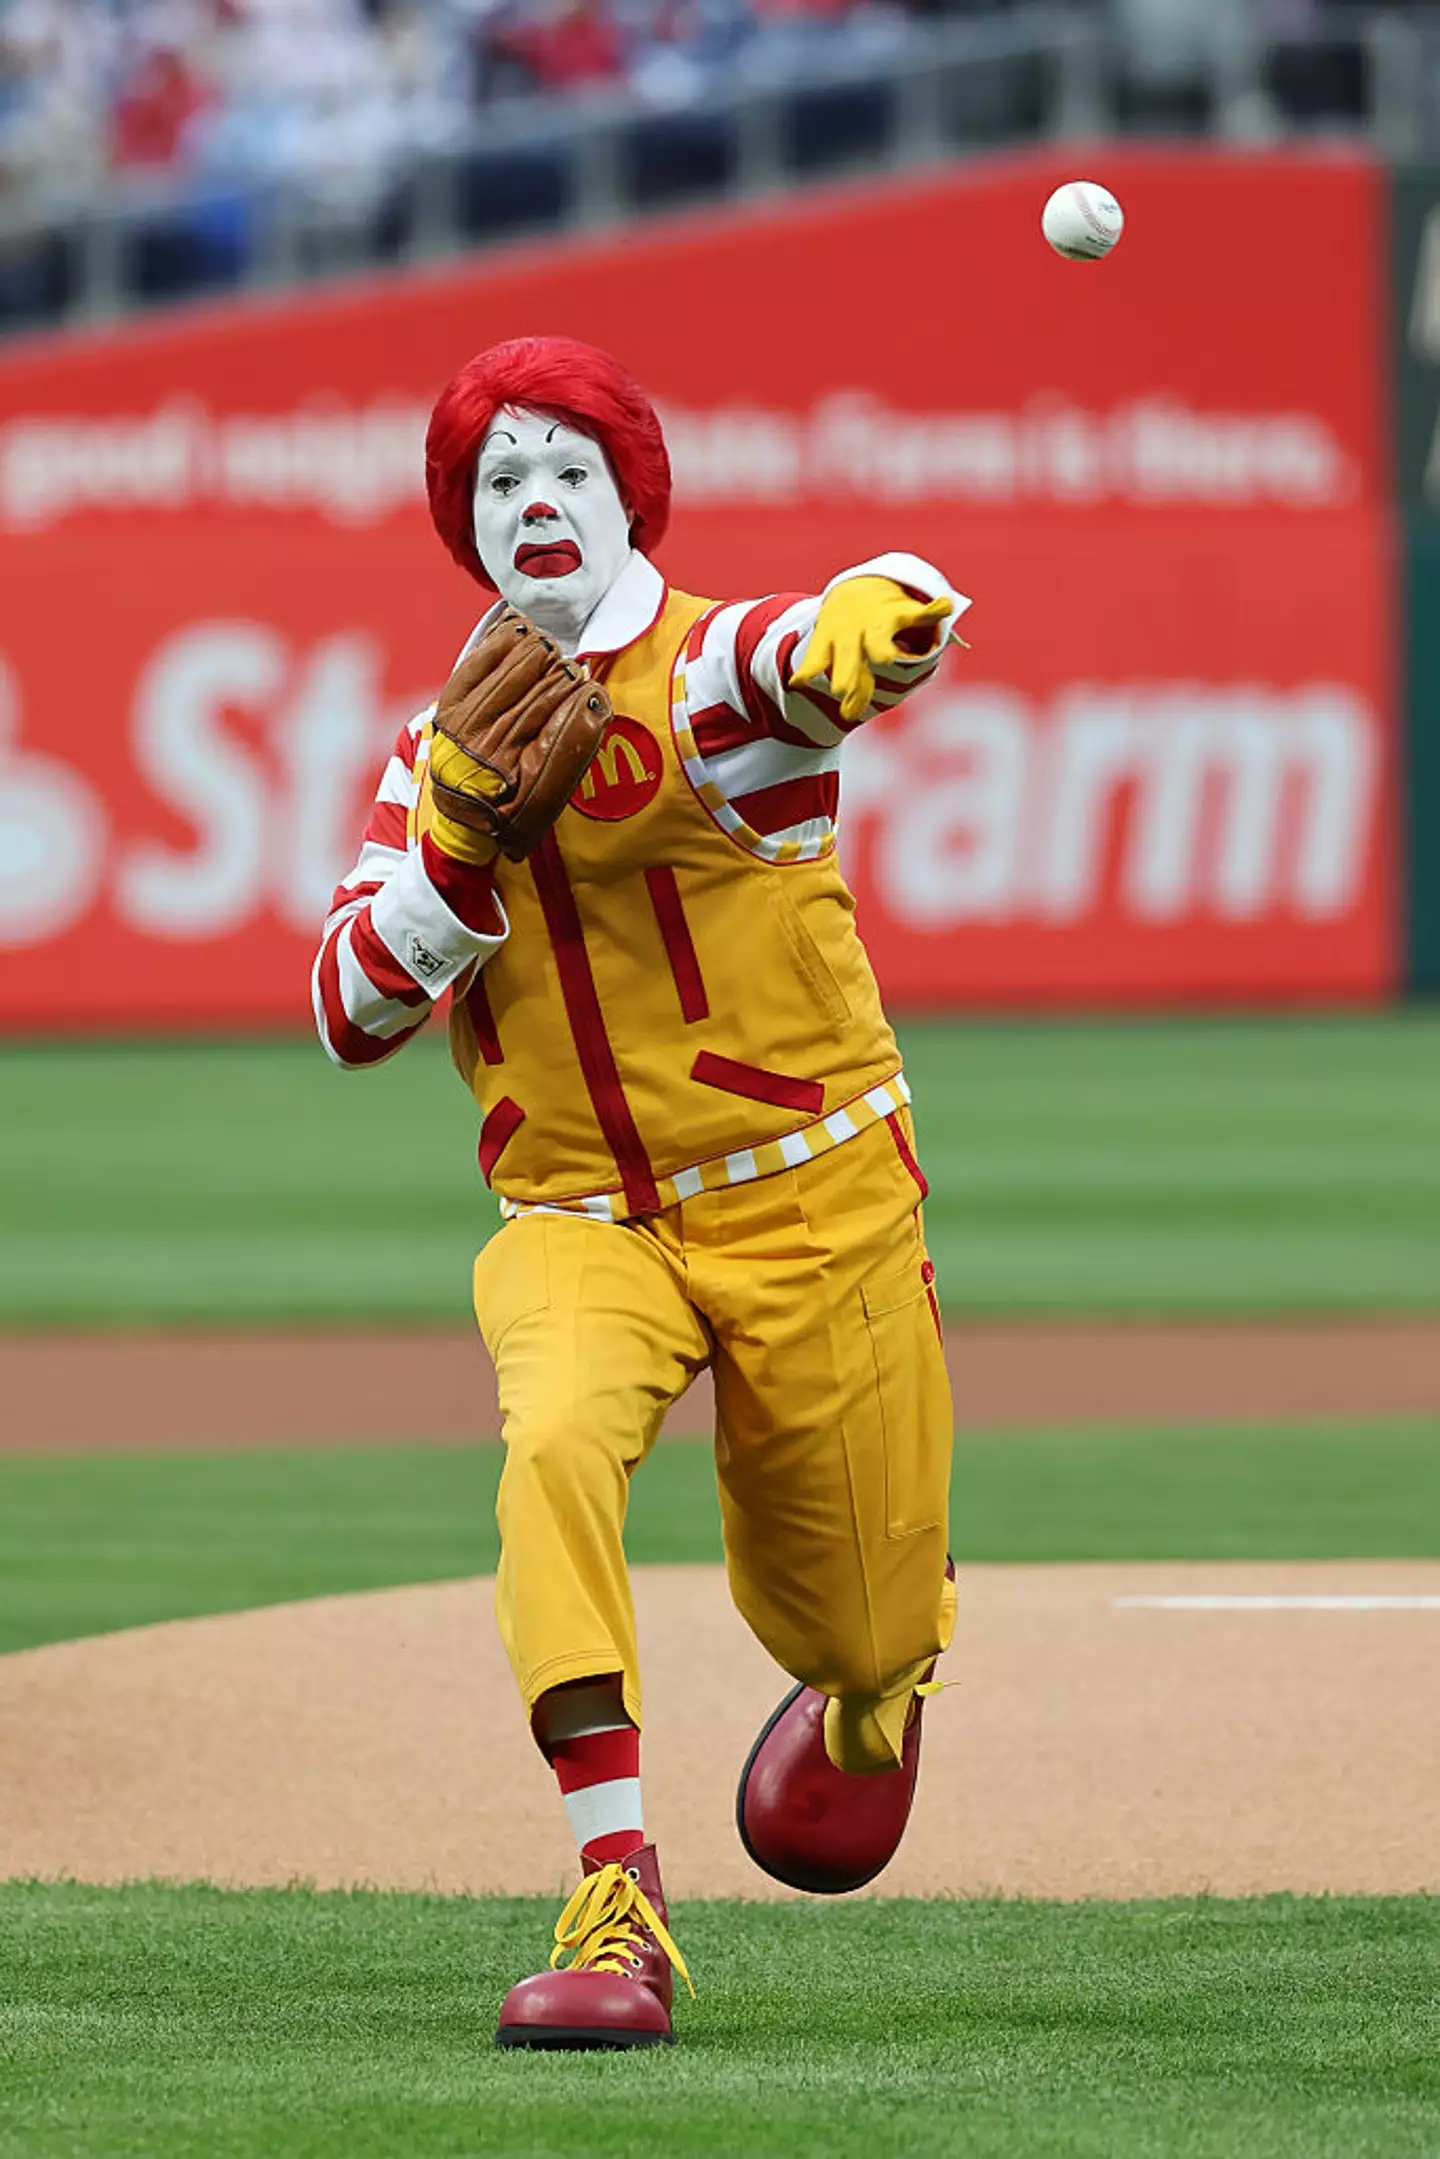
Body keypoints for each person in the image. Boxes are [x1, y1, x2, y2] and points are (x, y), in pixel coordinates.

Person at [313, 334, 967, 2050]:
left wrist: (884, 615)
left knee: (861, 1619)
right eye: (500, 480)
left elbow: (826, 636)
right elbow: (343, 1010)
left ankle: (866, 1698)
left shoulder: (714, 675)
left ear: (629, 495)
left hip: (808, 1193)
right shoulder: (434, 750)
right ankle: (619, 1893)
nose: (537, 501)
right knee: (550, 1444)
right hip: (578, 1215)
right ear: (467, 525)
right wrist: (453, 848)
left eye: (568, 471)